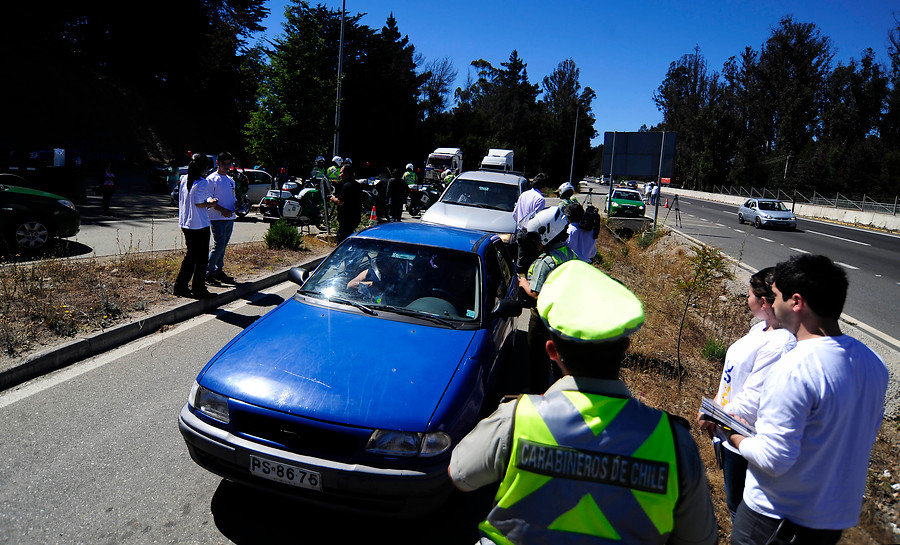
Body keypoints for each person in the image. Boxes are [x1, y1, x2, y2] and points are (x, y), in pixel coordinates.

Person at [449, 260, 718, 545]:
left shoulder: (518, 418)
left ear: (551, 351)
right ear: (626, 348)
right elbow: (700, 538)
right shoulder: (674, 442)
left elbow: (461, 473)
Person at [727, 254, 889, 545]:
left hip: (775, 520)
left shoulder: (793, 367)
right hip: (831, 520)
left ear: (796, 302)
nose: (772, 305)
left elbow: (773, 458)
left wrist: (733, 434)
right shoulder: (873, 363)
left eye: (775, 296)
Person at [697, 267, 796, 522]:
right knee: (735, 502)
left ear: (763, 301)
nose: (746, 299)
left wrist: (714, 417)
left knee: (740, 508)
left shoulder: (781, 344)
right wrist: (714, 408)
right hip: (728, 428)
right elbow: (735, 379)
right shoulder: (760, 330)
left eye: (749, 294)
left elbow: (753, 400)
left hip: (745, 437)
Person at [517, 206, 578, 392]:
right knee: (559, 361)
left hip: (542, 319)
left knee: (538, 360)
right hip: (563, 315)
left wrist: (523, 283)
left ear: (546, 234)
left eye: (536, 237)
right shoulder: (570, 254)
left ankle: (539, 393)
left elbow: (536, 293)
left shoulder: (546, 261)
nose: (535, 242)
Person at [174, 154, 229, 298]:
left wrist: (207, 200)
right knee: (201, 258)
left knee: (190, 256)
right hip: (199, 224)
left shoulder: (185, 178)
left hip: (186, 222)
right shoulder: (202, 182)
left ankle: (180, 286)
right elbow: (199, 203)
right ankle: (199, 289)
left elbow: (194, 199)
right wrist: (212, 204)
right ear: (202, 167)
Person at [205, 152, 236, 284]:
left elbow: (233, 197)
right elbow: (208, 199)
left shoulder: (230, 180)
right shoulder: (211, 179)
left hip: (230, 217)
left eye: (229, 163)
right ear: (218, 163)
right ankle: (207, 272)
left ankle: (218, 270)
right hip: (217, 217)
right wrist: (222, 210)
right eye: (224, 163)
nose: (227, 166)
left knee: (223, 246)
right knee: (218, 245)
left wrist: (236, 207)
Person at [512, 173, 549, 274]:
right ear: (544, 186)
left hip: (520, 231)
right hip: (531, 235)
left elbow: (514, 214)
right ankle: (526, 286)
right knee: (531, 264)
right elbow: (537, 221)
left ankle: (518, 283)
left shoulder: (523, 194)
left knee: (520, 262)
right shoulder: (540, 199)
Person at [330, 160, 361, 243]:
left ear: (347, 174)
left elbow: (340, 201)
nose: (340, 175)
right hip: (355, 218)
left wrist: (333, 199)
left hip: (346, 219)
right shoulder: (357, 185)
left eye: (341, 173)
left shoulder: (347, 186)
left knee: (341, 241)